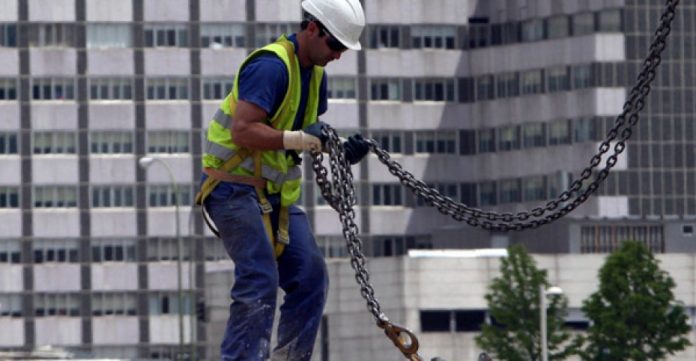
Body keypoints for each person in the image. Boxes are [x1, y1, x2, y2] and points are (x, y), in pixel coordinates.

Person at [197, 0, 369, 360]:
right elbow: (244, 131)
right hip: (232, 188)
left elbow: (301, 131)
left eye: (343, 48)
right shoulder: (271, 67)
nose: (337, 55)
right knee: (259, 278)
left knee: (310, 278)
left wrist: (333, 148)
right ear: (311, 28)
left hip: (275, 194)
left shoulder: (316, 73)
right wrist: (302, 140)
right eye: (334, 45)